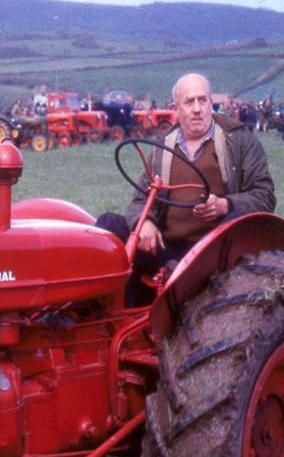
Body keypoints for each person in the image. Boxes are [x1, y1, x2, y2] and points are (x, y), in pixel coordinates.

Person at [98, 73, 275, 302]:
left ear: (212, 103)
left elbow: (265, 195)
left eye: (203, 100)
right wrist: (146, 222)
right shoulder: (163, 147)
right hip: (168, 251)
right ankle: (98, 309)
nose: (197, 109)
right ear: (176, 108)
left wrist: (226, 205)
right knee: (108, 225)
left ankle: (190, 283)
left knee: (237, 218)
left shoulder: (238, 140)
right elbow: (141, 198)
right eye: (189, 102)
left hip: (214, 252)